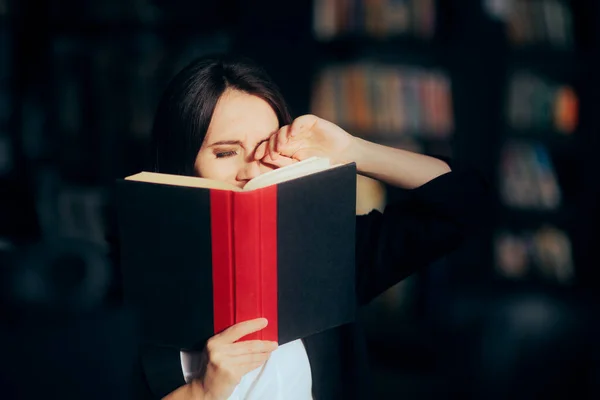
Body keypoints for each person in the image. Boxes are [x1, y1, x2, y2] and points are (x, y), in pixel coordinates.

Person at [128, 54, 490, 399]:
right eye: (226, 152)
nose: (252, 170)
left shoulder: (327, 255)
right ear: (181, 166)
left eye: (266, 149)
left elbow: (465, 204)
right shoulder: (124, 284)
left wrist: (352, 150)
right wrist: (200, 393)